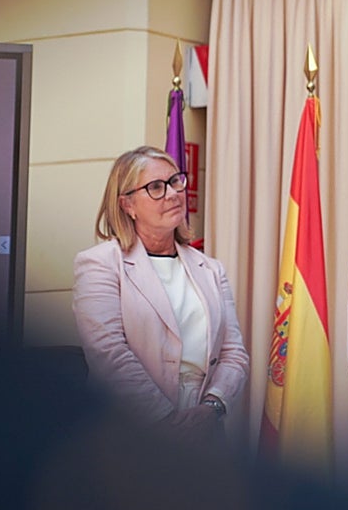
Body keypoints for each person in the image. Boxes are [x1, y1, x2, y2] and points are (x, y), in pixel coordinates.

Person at [72, 146, 249, 439]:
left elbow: (235, 354)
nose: (172, 193)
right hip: (130, 429)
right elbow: (109, 352)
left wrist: (212, 407)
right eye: (155, 187)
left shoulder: (211, 269)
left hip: (204, 429)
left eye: (175, 181)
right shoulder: (100, 264)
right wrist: (166, 420)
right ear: (127, 205)